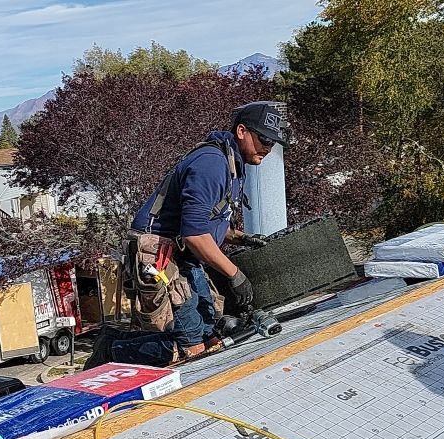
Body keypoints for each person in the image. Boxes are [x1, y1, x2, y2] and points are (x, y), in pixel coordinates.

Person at [87, 101, 293, 369]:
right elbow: (195, 234)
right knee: (192, 347)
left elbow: (205, 221)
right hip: (159, 256)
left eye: (274, 144)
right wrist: (235, 275)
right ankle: (112, 349)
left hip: (184, 255)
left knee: (210, 333)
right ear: (242, 131)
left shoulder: (233, 164)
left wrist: (240, 237)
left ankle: (126, 345)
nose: (268, 149)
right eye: (265, 140)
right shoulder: (212, 164)